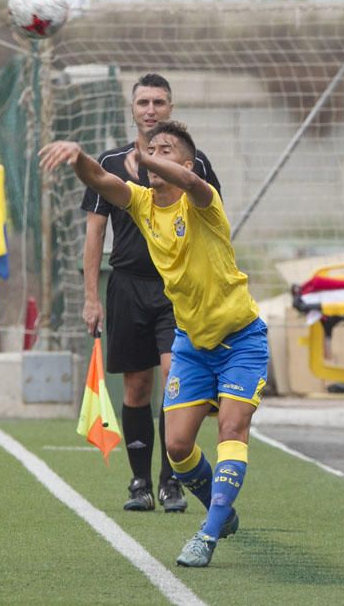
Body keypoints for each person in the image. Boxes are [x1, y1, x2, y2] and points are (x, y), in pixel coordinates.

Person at [41, 120, 268, 569]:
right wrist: (78, 156)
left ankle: (208, 531)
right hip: (193, 343)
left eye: (166, 149)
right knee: (179, 448)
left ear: (185, 163)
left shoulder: (204, 202)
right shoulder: (142, 203)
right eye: (150, 147)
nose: (153, 153)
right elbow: (102, 180)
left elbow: (189, 180)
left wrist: (145, 155)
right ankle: (221, 510)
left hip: (241, 339)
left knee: (231, 430)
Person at [81, 73, 220, 514]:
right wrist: (91, 296)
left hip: (175, 290)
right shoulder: (112, 161)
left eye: (159, 101)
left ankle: (170, 482)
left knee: (175, 381)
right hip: (127, 285)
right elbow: (95, 233)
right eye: (143, 101)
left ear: (171, 108)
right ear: (133, 108)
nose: (151, 109)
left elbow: (213, 227)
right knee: (137, 386)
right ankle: (140, 481)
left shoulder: (195, 166)